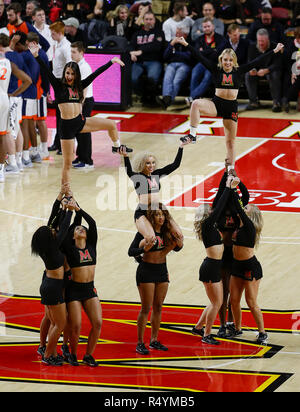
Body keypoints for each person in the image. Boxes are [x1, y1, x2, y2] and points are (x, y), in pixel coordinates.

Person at [28, 41, 132, 186]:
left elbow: (96, 73)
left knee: (111, 124)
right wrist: (36, 55)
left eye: (72, 74)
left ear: (76, 75)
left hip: (80, 121)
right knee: (67, 164)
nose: (69, 76)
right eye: (67, 73)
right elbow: (46, 70)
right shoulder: (59, 86)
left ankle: (116, 147)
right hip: (67, 128)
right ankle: (65, 191)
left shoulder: (80, 85)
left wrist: (111, 62)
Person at [176, 36, 284, 168]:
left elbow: (258, 60)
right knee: (196, 104)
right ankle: (192, 135)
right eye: (225, 60)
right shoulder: (215, 69)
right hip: (216, 104)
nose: (227, 62)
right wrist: (186, 44)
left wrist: (275, 50)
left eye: (230, 60)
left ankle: (231, 170)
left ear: (234, 61)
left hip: (231, 108)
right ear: (221, 60)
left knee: (230, 142)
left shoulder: (239, 71)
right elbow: (199, 56)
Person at [128, 203, 183, 354]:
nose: (160, 217)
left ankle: (154, 340)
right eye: (157, 215)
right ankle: (140, 342)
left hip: (161, 271)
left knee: (158, 306)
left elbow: (178, 247)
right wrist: (143, 249)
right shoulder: (145, 233)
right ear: (151, 217)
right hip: (146, 271)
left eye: (162, 214)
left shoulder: (167, 232)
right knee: (146, 308)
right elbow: (131, 251)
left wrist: (178, 244)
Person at [31, 193, 75, 366]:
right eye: (50, 232)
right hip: (54, 286)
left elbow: (51, 221)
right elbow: (63, 228)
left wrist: (59, 201)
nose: (52, 229)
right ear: (49, 239)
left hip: (48, 283)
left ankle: (43, 347)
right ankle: (48, 355)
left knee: (49, 319)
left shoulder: (46, 246)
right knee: (60, 323)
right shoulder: (53, 246)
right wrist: (69, 211)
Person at [193, 174, 236, 345]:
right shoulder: (207, 225)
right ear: (206, 215)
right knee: (217, 303)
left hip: (212, 266)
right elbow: (218, 205)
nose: (213, 210)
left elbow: (218, 202)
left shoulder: (210, 226)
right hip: (210, 267)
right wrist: (228, 187)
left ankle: (198, 328)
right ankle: (207, 334)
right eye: (210, 210)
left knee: (214, 302)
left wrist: (226, 175)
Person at [121, 144, 185, 247]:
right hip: (143, 211)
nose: (151, 165)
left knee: (179, 235)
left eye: (153, 163)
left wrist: (181, 147)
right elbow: (129, 171)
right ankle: (138, 252)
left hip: (157, 210)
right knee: (151, 238)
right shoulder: (138, 177)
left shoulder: (156, 175)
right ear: (142, 164)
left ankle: (162, 252)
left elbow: (175, 165)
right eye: (148, 163)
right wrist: (125, 156)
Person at [228, 176, 268, 345]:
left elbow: (238, 204)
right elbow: (242, 199)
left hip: (250, 267)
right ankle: (237, 328)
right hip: (237, 265)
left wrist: (232, 187)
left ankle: (262, 333)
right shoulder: (240, 223)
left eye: (248, 208)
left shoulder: (250, 227)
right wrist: (238, 182)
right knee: (233, 301)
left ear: (252, 214)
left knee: (251, 302)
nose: (245, 208)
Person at [62, 200, 102, 367]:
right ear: (73, 235)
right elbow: (65, 229)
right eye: (78, 228)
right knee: (76, 325)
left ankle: (88, 355)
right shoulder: (69, 249)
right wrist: (68, 210)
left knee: (98, 323)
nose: (82, 229)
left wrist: (79, 208)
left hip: (89, 289)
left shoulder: (92, 245)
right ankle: (72, 353)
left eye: (83, 229)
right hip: (74, 290)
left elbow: (91, 223)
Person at [0, 44, 32, 183]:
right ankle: (2, 169)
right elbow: (28, 80)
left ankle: (14, 161)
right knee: (5, 134)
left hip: (7, 99)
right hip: (5, 99)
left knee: (9, 133)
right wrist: (13, 94)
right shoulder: (8, 62)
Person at [186, 17, 227, 106]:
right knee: (195, 72)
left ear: (213, 27)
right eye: (204, 27)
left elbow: (218, 54)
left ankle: (192, 98)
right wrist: (212, 50)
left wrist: (204, 52)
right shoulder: (199, 39)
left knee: (208, 77)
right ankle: (194, 99)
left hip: (214, 64)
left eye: (208, 26)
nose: (207, 28)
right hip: (202, 63)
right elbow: (197, 54)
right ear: (202, 28)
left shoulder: (220, 39)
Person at [129, 11, 165, 106]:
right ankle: (142, 96)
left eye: (151, 19)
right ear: (143, 21)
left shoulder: (159, 32)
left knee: (152, 78)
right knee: (133, 79)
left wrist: (141, 51)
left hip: (154, 61)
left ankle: (150, 99)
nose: (149, 21)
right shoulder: (137, 34)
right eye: (147, 19)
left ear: (154, 21)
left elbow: (156, 47)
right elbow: (131, 46)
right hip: (139, 62)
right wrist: (131, 53)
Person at [245, 29, 283, 112]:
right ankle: (253, 102)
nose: (261, 43)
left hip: (271, 70)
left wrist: (267, 70)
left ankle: (276, 103)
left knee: (275, 75)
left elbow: (278, 64)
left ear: (268, 39)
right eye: (259, 41)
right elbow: (250, 62)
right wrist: (252, 69)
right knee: (248, 75)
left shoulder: (275, 47)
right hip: (257, 71)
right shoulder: (252, 46)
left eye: (263, 41)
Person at [48, 21, 72, 154]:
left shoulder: (66, 46)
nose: (51, 35)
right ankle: (57, 142)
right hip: (57, 82)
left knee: (64, 116)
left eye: (53, 33)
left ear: (59, 33)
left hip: (63, 83)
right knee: (58, 115)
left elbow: (70, 65)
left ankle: (64, 145)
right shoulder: (57, 44)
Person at [70, 41, 95, 169]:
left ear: (81, 52)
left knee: (84, 130)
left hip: (85, 102)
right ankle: (80, 156)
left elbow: (84, 89)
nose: (71, 54)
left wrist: (79, 104)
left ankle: (87, 160)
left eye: (74, 52)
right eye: (71, 51)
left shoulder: (84, 67)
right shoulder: (75, 65)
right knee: (79, 130)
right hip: (79, 101)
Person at [156, 26, 193, 109]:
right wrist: (171, 45)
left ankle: (167, 101)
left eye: (179, 33)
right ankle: (166, 99)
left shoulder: (189, 42)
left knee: (176, 80)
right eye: (176, 33)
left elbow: (189, 56)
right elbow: (165, 56)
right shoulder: (172, 42)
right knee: (167, 79)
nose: (177, 35)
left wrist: (175, 53)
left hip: (184, 65)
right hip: (172, 64)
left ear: (185, 34)